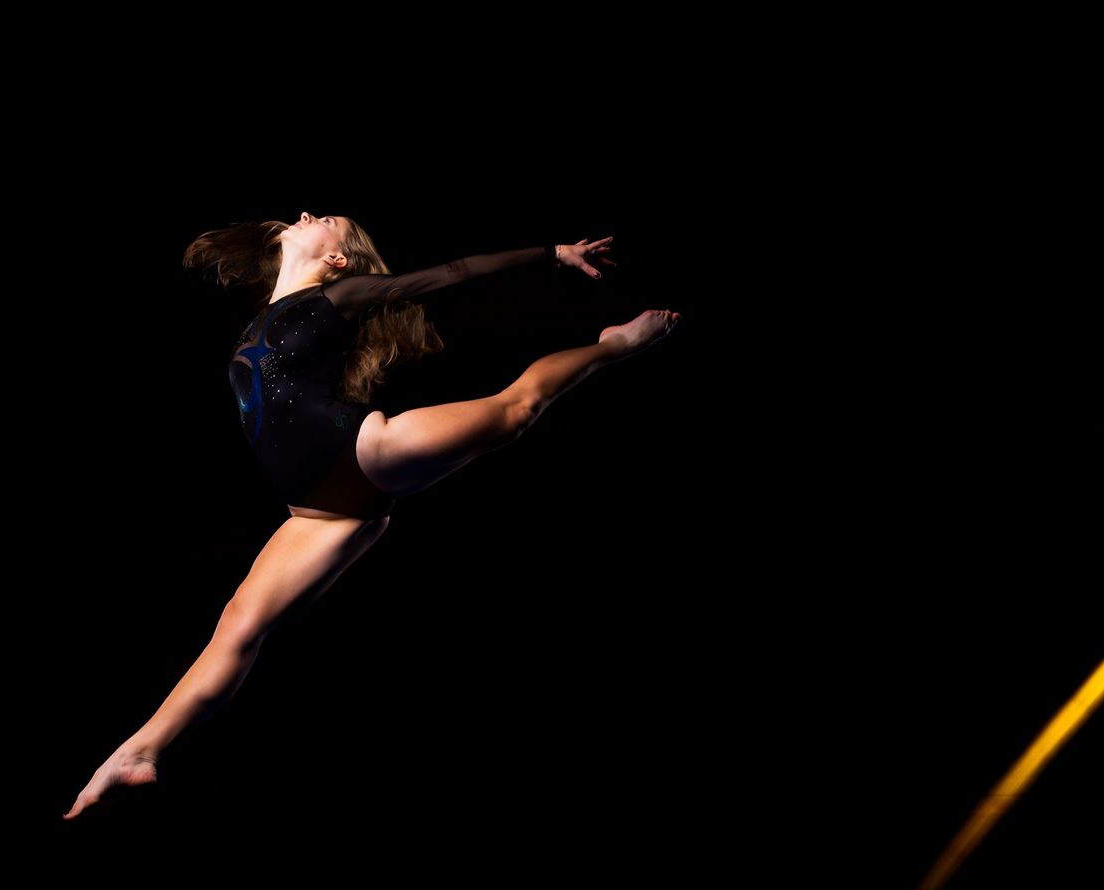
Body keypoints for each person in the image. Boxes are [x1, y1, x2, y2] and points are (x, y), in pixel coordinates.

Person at [63, 212, 680, 820]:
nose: (306, 213)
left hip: (366, 449)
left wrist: (552, 253)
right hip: (317, 509)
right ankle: (137, 752)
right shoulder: (263, 314)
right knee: (236, 626)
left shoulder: (338, 295)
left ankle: (612, 346)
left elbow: (455, 272)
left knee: (515, 408)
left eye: (325, 218)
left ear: (338, 258)